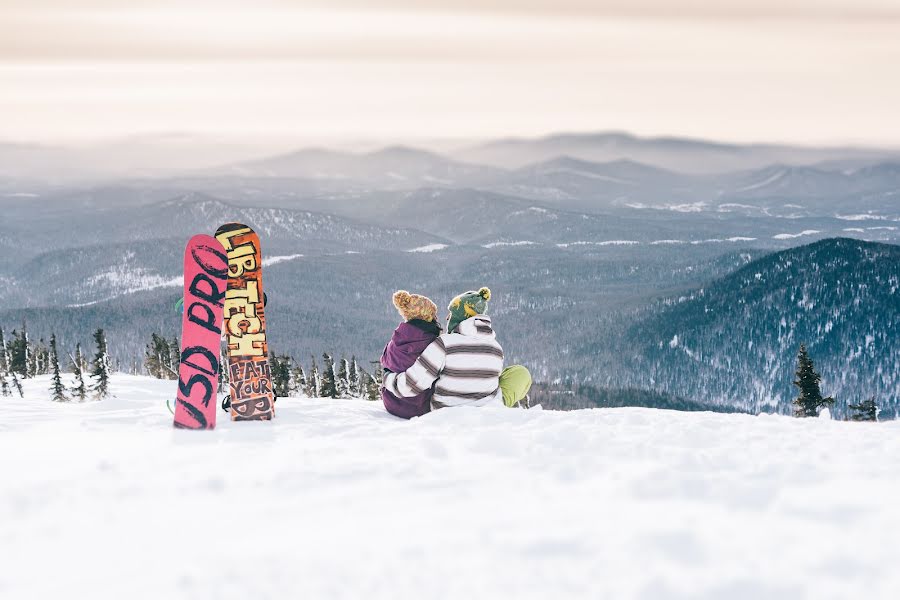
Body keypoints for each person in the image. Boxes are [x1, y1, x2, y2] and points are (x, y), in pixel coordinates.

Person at [382, 287, 532, 410]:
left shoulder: (444, 344)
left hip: (446, 413)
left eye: (451, 313)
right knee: (520, 373)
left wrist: (388, 379)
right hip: (487, 411)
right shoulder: (496, 348)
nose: (447, 318)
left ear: (460, 316)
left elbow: (411, 386)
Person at [380, 291, 442, 419]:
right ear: (429, 316)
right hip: (420, 408)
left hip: (391, 403)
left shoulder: (395, 340)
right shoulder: (434, 344)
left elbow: (384, 362)